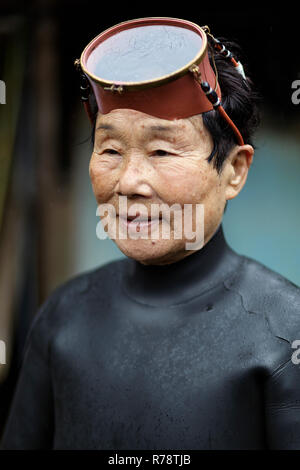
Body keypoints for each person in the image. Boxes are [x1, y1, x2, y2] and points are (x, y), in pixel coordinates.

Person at [1, 17, 300, 450]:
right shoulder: (62, 318)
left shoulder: (285, 333)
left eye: (161, 150)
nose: (129, 182)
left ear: (234, 170)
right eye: (111, 150)